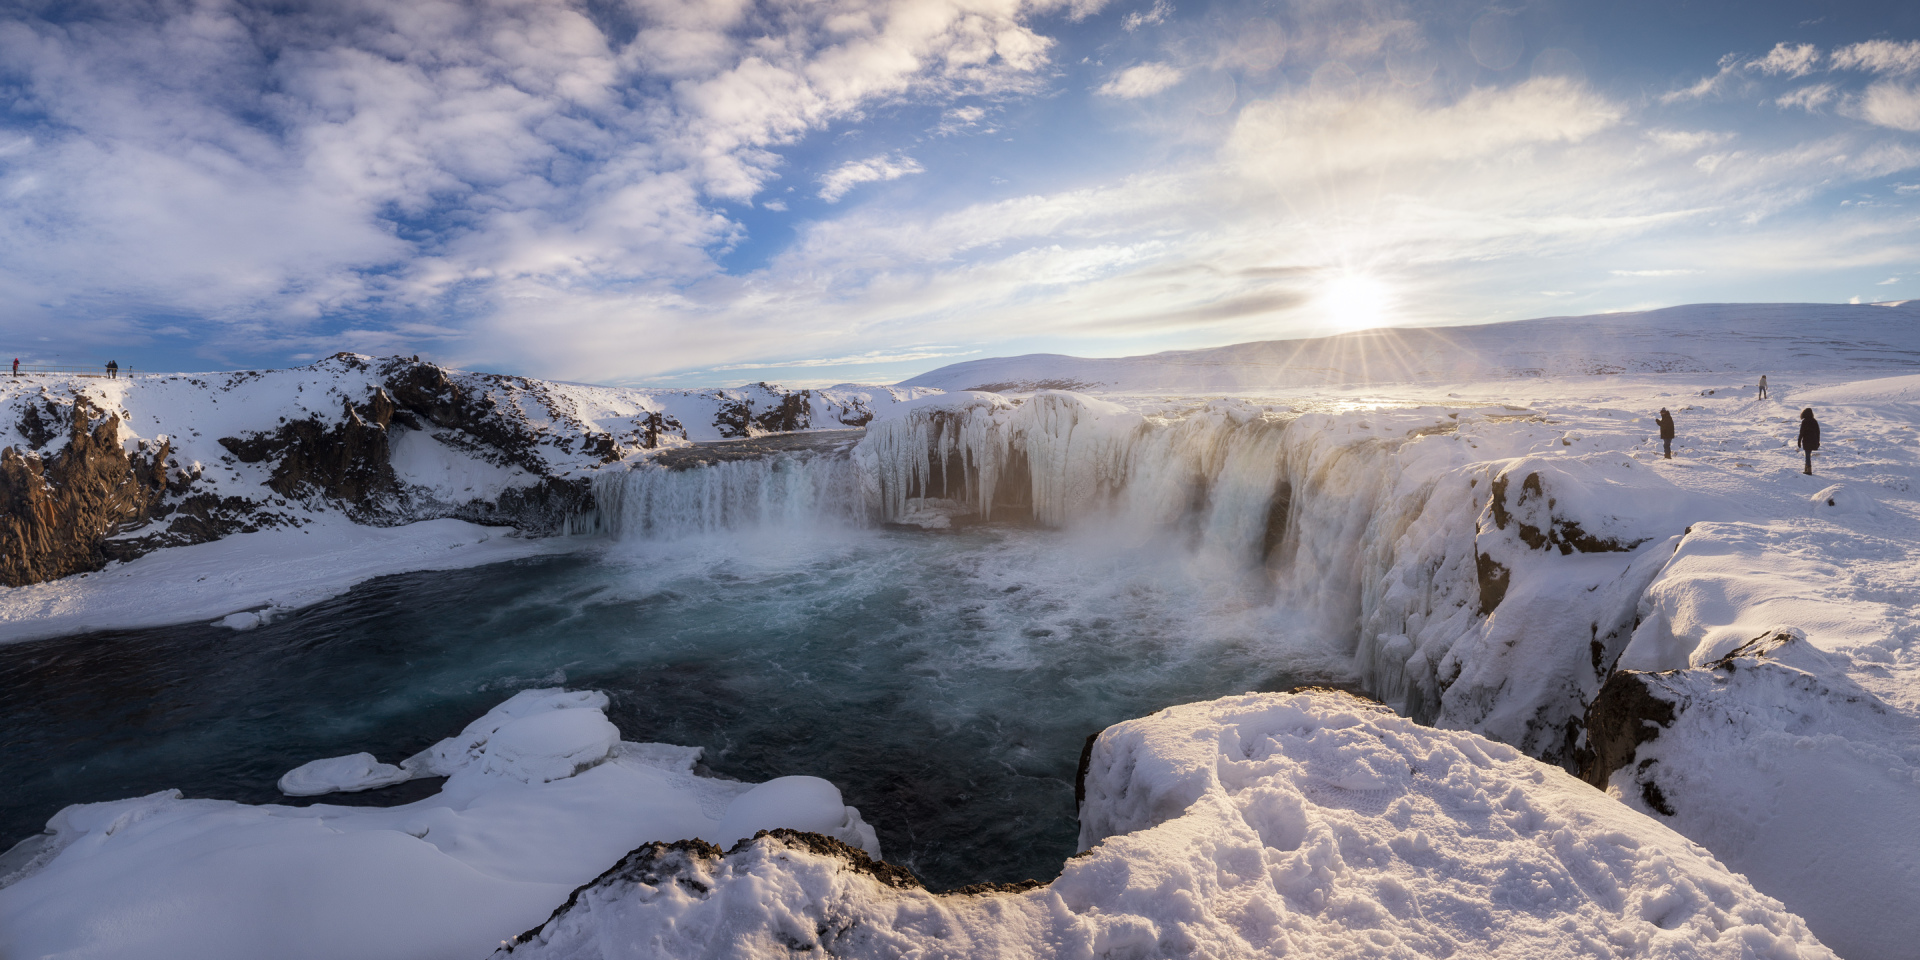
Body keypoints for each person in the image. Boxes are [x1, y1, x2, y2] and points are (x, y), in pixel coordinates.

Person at [1797, 408, 1820, 475]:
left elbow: (1801, 432)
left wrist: (1799, 441)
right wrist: (1818, 441)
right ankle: (1807, 469)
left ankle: (1808, 470)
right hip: (1813, 440)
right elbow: (1818, 432)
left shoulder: (1804, 421)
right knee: (1808, 454)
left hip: (1806, 440)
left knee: (1807, 455)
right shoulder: (1814, 421)